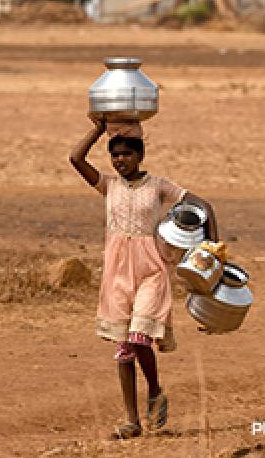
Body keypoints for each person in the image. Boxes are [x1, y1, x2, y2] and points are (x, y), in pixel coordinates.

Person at [69, 117, 218, 439]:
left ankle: (154, 390)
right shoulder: (108, 185)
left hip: (151, 268)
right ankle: (131, 421)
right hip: (117, 272)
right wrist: (99, 128)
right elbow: (75, 159)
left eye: (126, 154)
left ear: (140, 156)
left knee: (140, 338)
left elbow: (204, 206)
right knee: (123, 349)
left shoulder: (159, 186)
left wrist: (212, 247)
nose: (120, 160)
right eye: (115, 155)